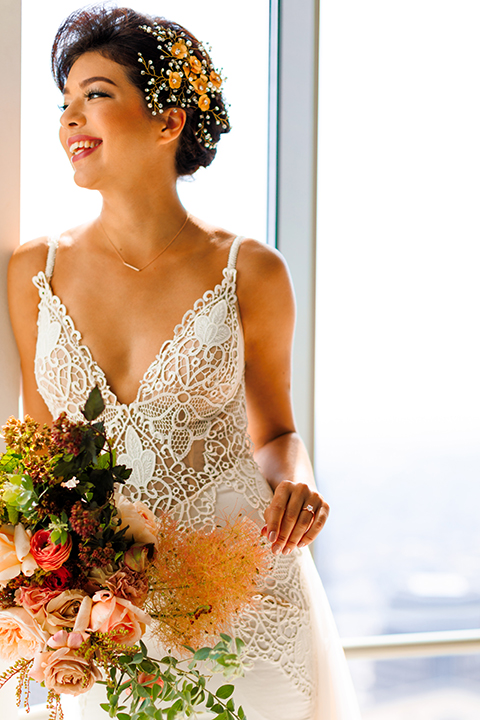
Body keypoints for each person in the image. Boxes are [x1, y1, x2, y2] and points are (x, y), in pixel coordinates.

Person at [7, 6, 361, 720]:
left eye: (96, 94)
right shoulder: (31, 270)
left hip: (242, 597)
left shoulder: (249, 270)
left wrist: (297, 483)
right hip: (108, 622)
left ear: (168, 122)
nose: (70, 118)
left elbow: (277, 434)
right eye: (65, 101)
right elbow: (41, 457)